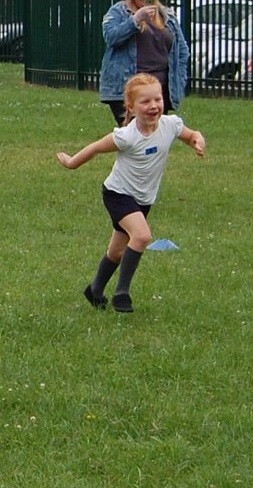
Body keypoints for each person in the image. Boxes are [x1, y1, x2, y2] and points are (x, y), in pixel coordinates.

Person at [56, 72, 207, 313]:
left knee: (116, 252)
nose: (153, 106)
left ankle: (95, 290)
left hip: (143, 199)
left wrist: (198, 142)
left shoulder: (170, 125)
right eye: (145, 102)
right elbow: (95, 148)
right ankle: (122, 293)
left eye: (157, 99)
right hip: (118, 194)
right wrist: (71, 162)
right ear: (132, 107)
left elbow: (191, 135)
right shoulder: (127, 136)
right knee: (142, 236)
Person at [100, 0, 189, 124]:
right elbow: (111, 37)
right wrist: (135, 20)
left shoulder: (167, 16)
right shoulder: (119, 12)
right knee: (133, 137)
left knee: (155, 137)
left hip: (159, 88)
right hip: (130, 87)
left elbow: (182, 51)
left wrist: (179, 81)